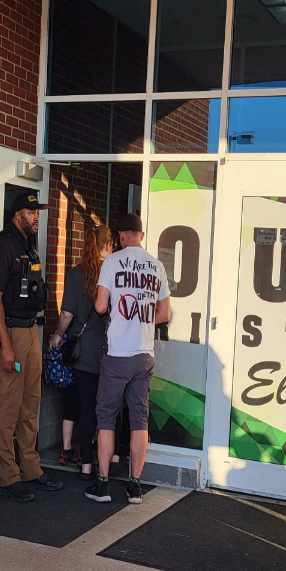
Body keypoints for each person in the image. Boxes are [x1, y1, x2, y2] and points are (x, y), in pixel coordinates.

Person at [85, 213, 170, 505]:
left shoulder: (112, 262)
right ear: (141, 236)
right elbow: (164, 314)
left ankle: (103, 485)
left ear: (121, 236)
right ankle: (135, 487)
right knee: (139, 420)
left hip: (117, 354)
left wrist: (118, 314)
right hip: (144, 354)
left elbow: (100, 306)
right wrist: (141, 320)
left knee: (107, 417)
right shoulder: (157, 266)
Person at [0, 191, 61, 501]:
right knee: (9, 407)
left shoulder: (29, 246)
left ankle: (31, 469)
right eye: (31, 212)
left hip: (31, 332)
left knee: (31, 404)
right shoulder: (3, 246)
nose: (36, 216)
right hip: (12, 334)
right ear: (18, 214)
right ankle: (8, 477)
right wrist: (6, 346)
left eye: (37, 212)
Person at [49, 224, 114, 477]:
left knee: (82, 405)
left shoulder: (78, 273)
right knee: (105, 407)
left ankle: (84, 462)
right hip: (110, 350)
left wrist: (58, 335)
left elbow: (67, 314)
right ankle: (108, 457)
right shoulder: (114, 273)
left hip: (82, 352)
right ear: (108, 244)